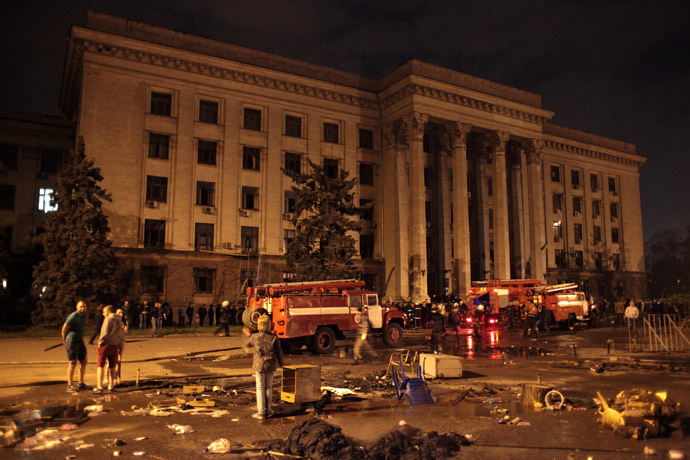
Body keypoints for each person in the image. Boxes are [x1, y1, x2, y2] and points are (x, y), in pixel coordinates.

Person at [244, 314, 284, 419]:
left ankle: (261, 412)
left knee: (260, 387)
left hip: (258, 365)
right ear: (269, 325)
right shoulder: (274, 337)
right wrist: (281, 364)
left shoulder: (255, 337)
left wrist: (248, 335)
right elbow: (279, 352)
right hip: (270, 364)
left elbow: (247, 344)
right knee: (268, 387)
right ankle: (268, 410)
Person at [94, 305, 124, 393]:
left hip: (105, 345)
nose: (103, 314)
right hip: (115, 344)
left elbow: (104, 333)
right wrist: (119, 345)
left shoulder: (108, 319)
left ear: (109, 311)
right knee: (112, 366)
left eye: (104, 312)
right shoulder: (119, 320)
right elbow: (121, 333)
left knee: (100, 365)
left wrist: (100, 343)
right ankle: (111, 386)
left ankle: (99, 386)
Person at [62, 300, 90, 392]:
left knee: (84, 361)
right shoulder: (73, 316)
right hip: (72, 340)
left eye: (84, 307)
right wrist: (65, 341)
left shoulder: (84, 315)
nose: (82, 308)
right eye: (81, 306)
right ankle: (69, 385)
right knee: (72, 363)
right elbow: (64, 329)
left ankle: (80, 383)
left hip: (80, 340)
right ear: (77, 307)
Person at [115, 308, 129, 386]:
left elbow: (125, 331)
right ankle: (114, 376)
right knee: (115, 359)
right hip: (115, 340)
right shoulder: (114, 321)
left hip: (122, 340)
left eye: (121, 313)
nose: (120, 314)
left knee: (120, 358)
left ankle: (118, 378)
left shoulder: (124, 322)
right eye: (119, 313)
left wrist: (125, 328)